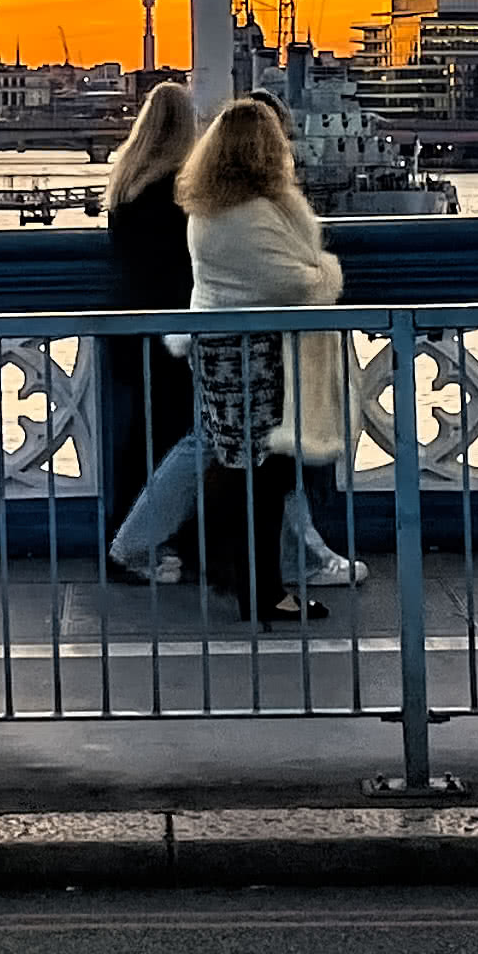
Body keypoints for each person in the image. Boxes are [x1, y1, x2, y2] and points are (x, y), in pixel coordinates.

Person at [176, 99, 347, 628]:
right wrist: (326, 271)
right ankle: (263, 590)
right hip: (256, 357)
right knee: (264, 477)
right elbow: (294, 283)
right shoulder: (250, 214)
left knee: (240, 470)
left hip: (217, 349)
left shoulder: (208, 207)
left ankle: (246, 579)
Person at [98, 83, 205, 585]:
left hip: (127, 326)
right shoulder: (180, 190)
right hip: (174, 330)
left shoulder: (127, 183)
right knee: (179, 440)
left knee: (139, 439)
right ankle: (143, 544)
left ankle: (130, 537)